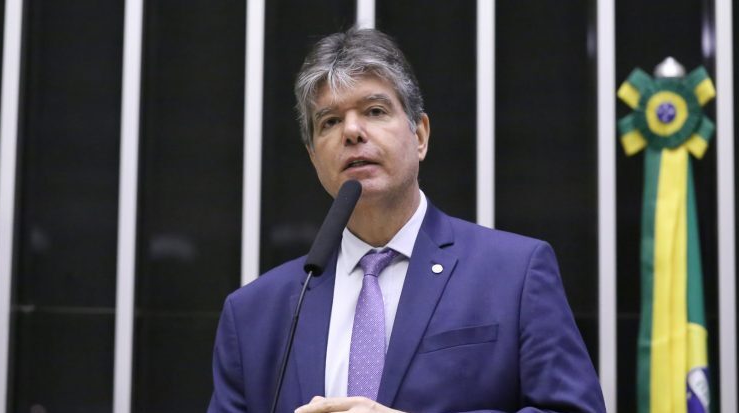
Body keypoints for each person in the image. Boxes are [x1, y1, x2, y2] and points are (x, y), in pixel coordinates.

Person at [208, 27, 605, 413]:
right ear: (314, 157)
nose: (352, 131)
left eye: (374, 111)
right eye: (329, 121)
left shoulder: (515, 274)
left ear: (420, 136)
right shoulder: (254, 314)